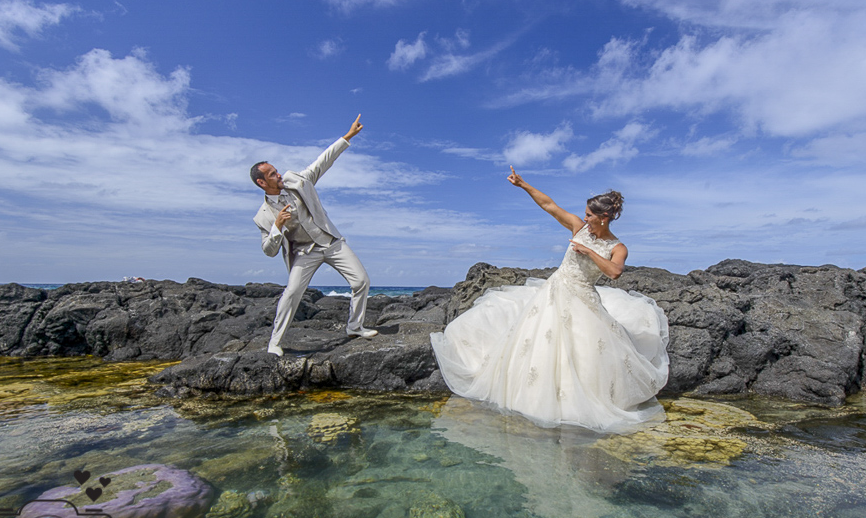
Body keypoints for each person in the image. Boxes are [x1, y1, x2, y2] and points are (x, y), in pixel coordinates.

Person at [430, 166, 670, 433]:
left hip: (583, 298)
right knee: (539, 344)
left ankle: (578, 401)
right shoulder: (578, 228)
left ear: (603, 218)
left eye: (589, 215)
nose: (584, 218)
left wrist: (589, 253)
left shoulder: (618, 247)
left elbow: (614, 272)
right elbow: (549, 205)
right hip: (554, 291)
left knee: (584, 350)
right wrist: (523, 185)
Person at [251, 114, 377, 357]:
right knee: (292, 293)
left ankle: (354, 327)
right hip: (304, 253)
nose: (278, 175)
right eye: (272, 175)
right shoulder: (263, 215)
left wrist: (347, 137)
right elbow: (268, 250)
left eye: (277, 171)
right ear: (261, 182)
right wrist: (277, 226)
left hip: (331, 242)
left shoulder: (297, 181)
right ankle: (274, 342)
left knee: (361, 281)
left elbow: (323, 161)